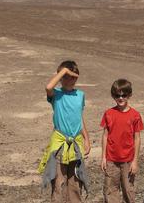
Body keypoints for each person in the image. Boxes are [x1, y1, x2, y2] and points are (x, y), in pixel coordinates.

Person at [38, 60, 91, 203]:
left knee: (75, 181)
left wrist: (86, 138)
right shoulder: (56, 94)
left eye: (73, 77)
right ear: (60, 77)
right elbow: (48, 86)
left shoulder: (80, 95)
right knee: (59, 182)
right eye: (66, 77)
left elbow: (79, 118)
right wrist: (63, 71)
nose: (70, 80)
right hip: (60, 143)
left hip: (76, 143)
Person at [100, 79, 144, 203]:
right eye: (117, 95)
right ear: (113, 96)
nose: (120, 98)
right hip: (111, 160)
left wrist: (135, 161)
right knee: (110, 191)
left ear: (129, 95)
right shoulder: (108, 113)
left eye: (123, 95)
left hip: (128, 161)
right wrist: (103, 157)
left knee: (128, 190)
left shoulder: (135, 115)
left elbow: (137, 138)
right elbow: (105, 136)